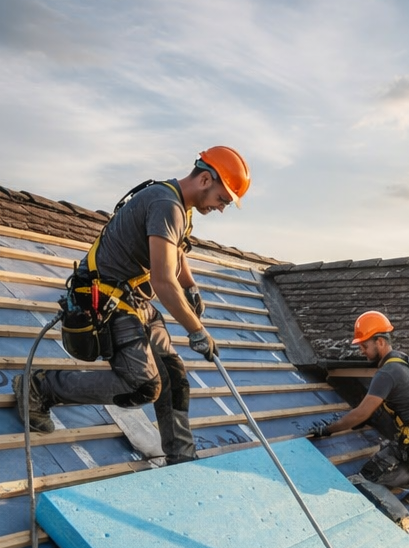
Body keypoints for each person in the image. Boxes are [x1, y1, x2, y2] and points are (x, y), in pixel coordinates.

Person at [13, 146, 251, 465]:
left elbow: (176, 251)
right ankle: (41, 387)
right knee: (142, 385)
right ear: (206, 179)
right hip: (107, 299)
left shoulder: (182, 205)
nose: (222, 208)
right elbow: (164, 281)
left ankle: (181, 456)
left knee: (173, 375)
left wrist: (191, 285)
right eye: (223, 199)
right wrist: (197, 331)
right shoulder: (166, 204)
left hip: (134, 299)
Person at [308, 311, 409, 504]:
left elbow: (360, 413)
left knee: (367, 477)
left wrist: (327, 430)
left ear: (380, 342)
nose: (361, 351)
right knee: (374, 412)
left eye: (364, 345)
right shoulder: (401, 359)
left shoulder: (388, 372)